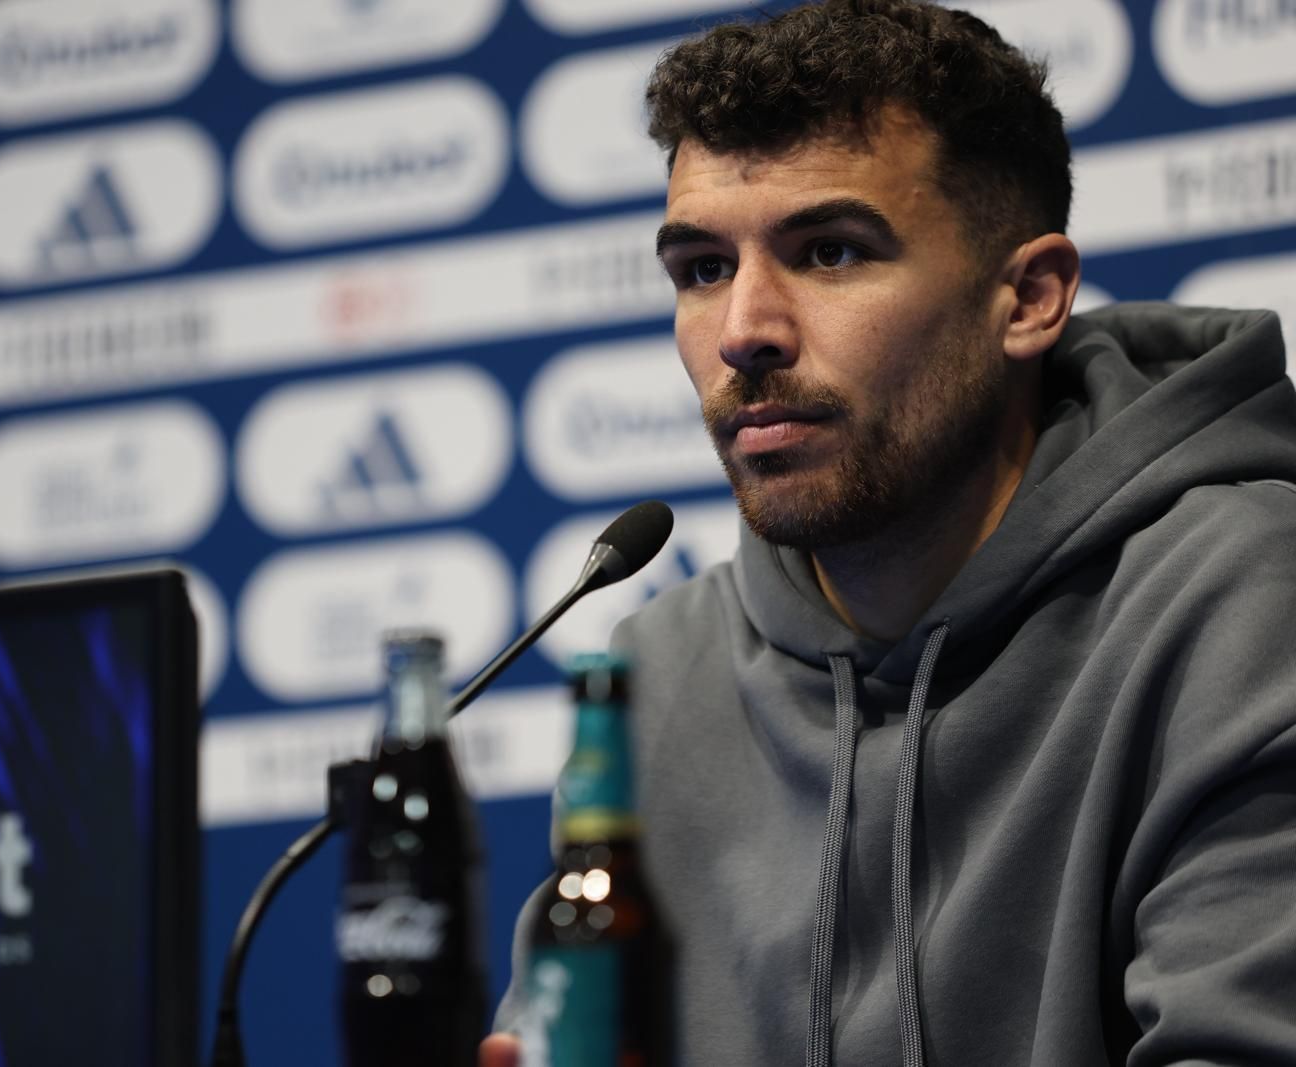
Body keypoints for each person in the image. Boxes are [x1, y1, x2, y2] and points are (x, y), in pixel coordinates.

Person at [483, 0, 1296, 1064]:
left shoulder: (1237, 594)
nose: (743, 332)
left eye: (828, 252)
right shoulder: (658, 669)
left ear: (1029, 297)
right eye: (700, 269)